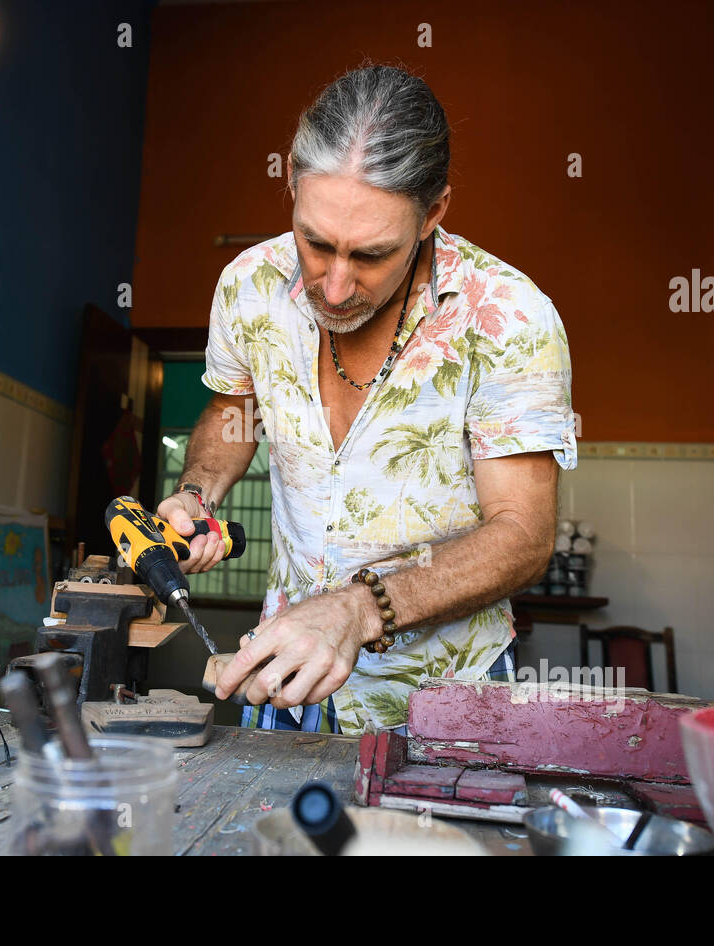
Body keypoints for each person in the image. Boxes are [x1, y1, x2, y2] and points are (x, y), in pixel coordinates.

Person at [158, 64, 577, 736]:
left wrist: (359, 609)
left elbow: (523, 537)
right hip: (284, 679)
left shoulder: (509, 316)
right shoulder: (247, 286)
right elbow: (234, 408)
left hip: (443, 695)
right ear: (292, 182)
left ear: (433, 212)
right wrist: (198, 493)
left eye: (372, 254)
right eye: (316, 243)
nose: (334, 286)